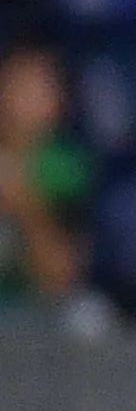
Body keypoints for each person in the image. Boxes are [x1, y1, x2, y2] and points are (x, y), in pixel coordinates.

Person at [0, 45, 92, 316]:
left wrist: (24, 204)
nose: (47, 100)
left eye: (50, 87)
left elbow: (62, 275)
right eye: (28, 90)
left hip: (37, 312)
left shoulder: (65, 165)